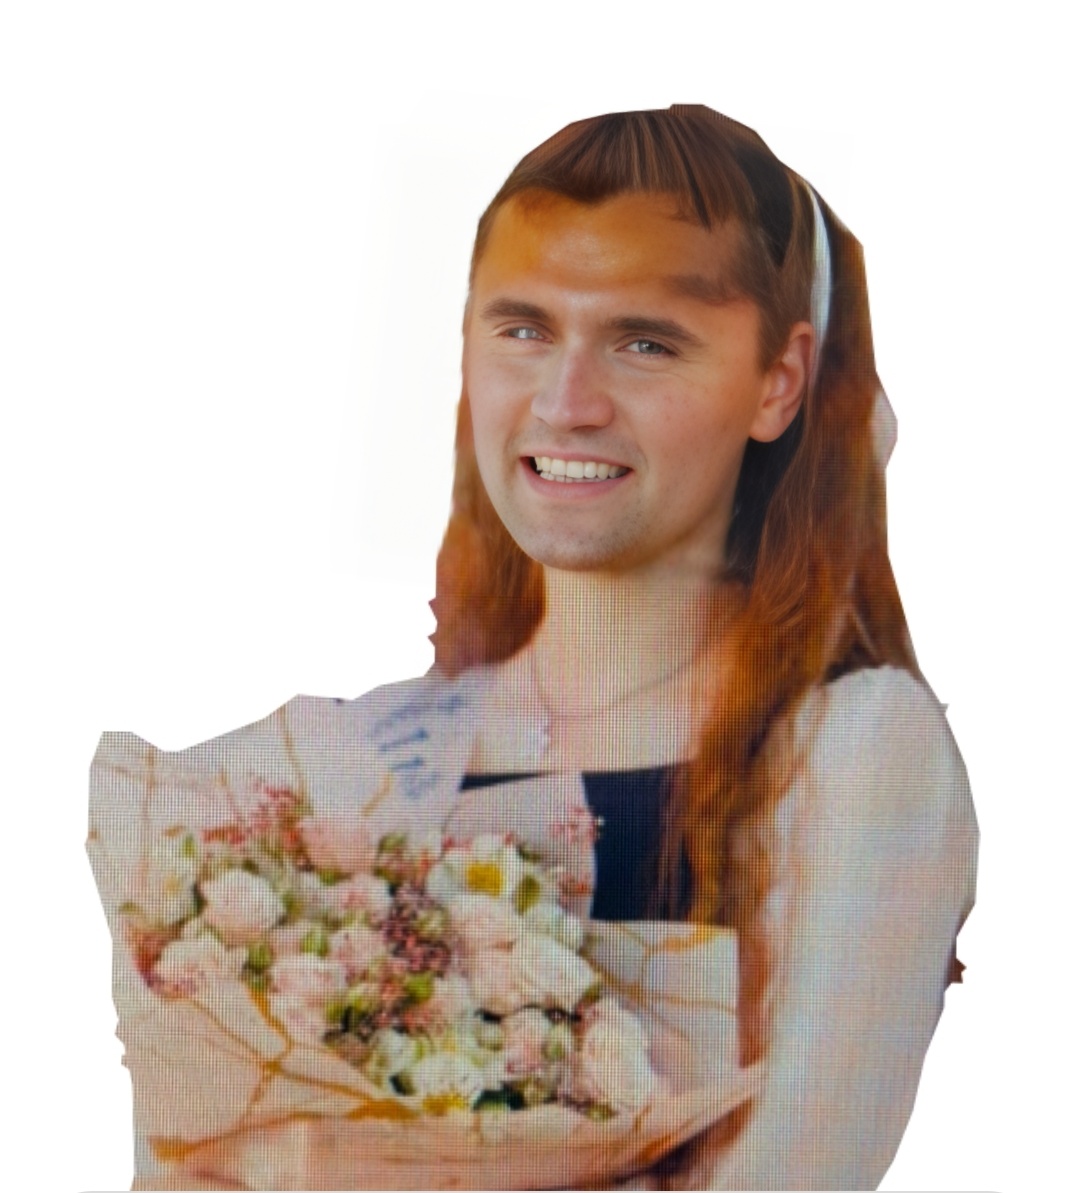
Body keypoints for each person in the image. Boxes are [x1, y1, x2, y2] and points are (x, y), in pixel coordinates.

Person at [90, 104, 977, 1190]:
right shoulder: (346, 766)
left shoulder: (853, 751)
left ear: (777, 380)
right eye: (523, 330)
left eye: (644, 343)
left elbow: (799, 1171)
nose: (566, 403)